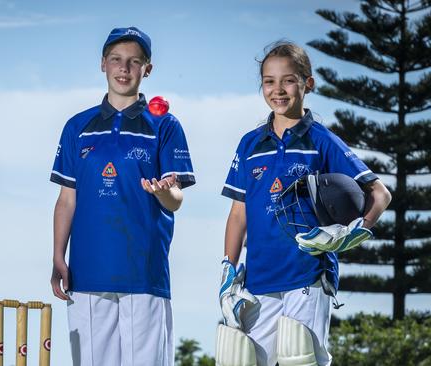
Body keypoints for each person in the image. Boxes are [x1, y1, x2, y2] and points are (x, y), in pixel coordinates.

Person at [218, 41, 391, 366]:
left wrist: (355, 231)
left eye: (288, 80)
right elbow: (238, 212)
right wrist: (228, 269)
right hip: (259, 279)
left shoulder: (321, 141)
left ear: (307, 83)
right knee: (243, 361)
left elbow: (380, 194)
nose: (278, 90)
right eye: (269, 81)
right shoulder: (250, 144)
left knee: (303, 359)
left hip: (308, 273)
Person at [49, 27, 196, 366]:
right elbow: (66, 199)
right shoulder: (77, 126)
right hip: (87, 273)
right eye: (116, 60)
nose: (124, 68)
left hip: (144, 273)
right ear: (103, 64)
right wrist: (58, 256)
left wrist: (164, 192)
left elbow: (176, 199)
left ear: (148, 68)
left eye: (134, 61)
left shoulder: (166, 126)